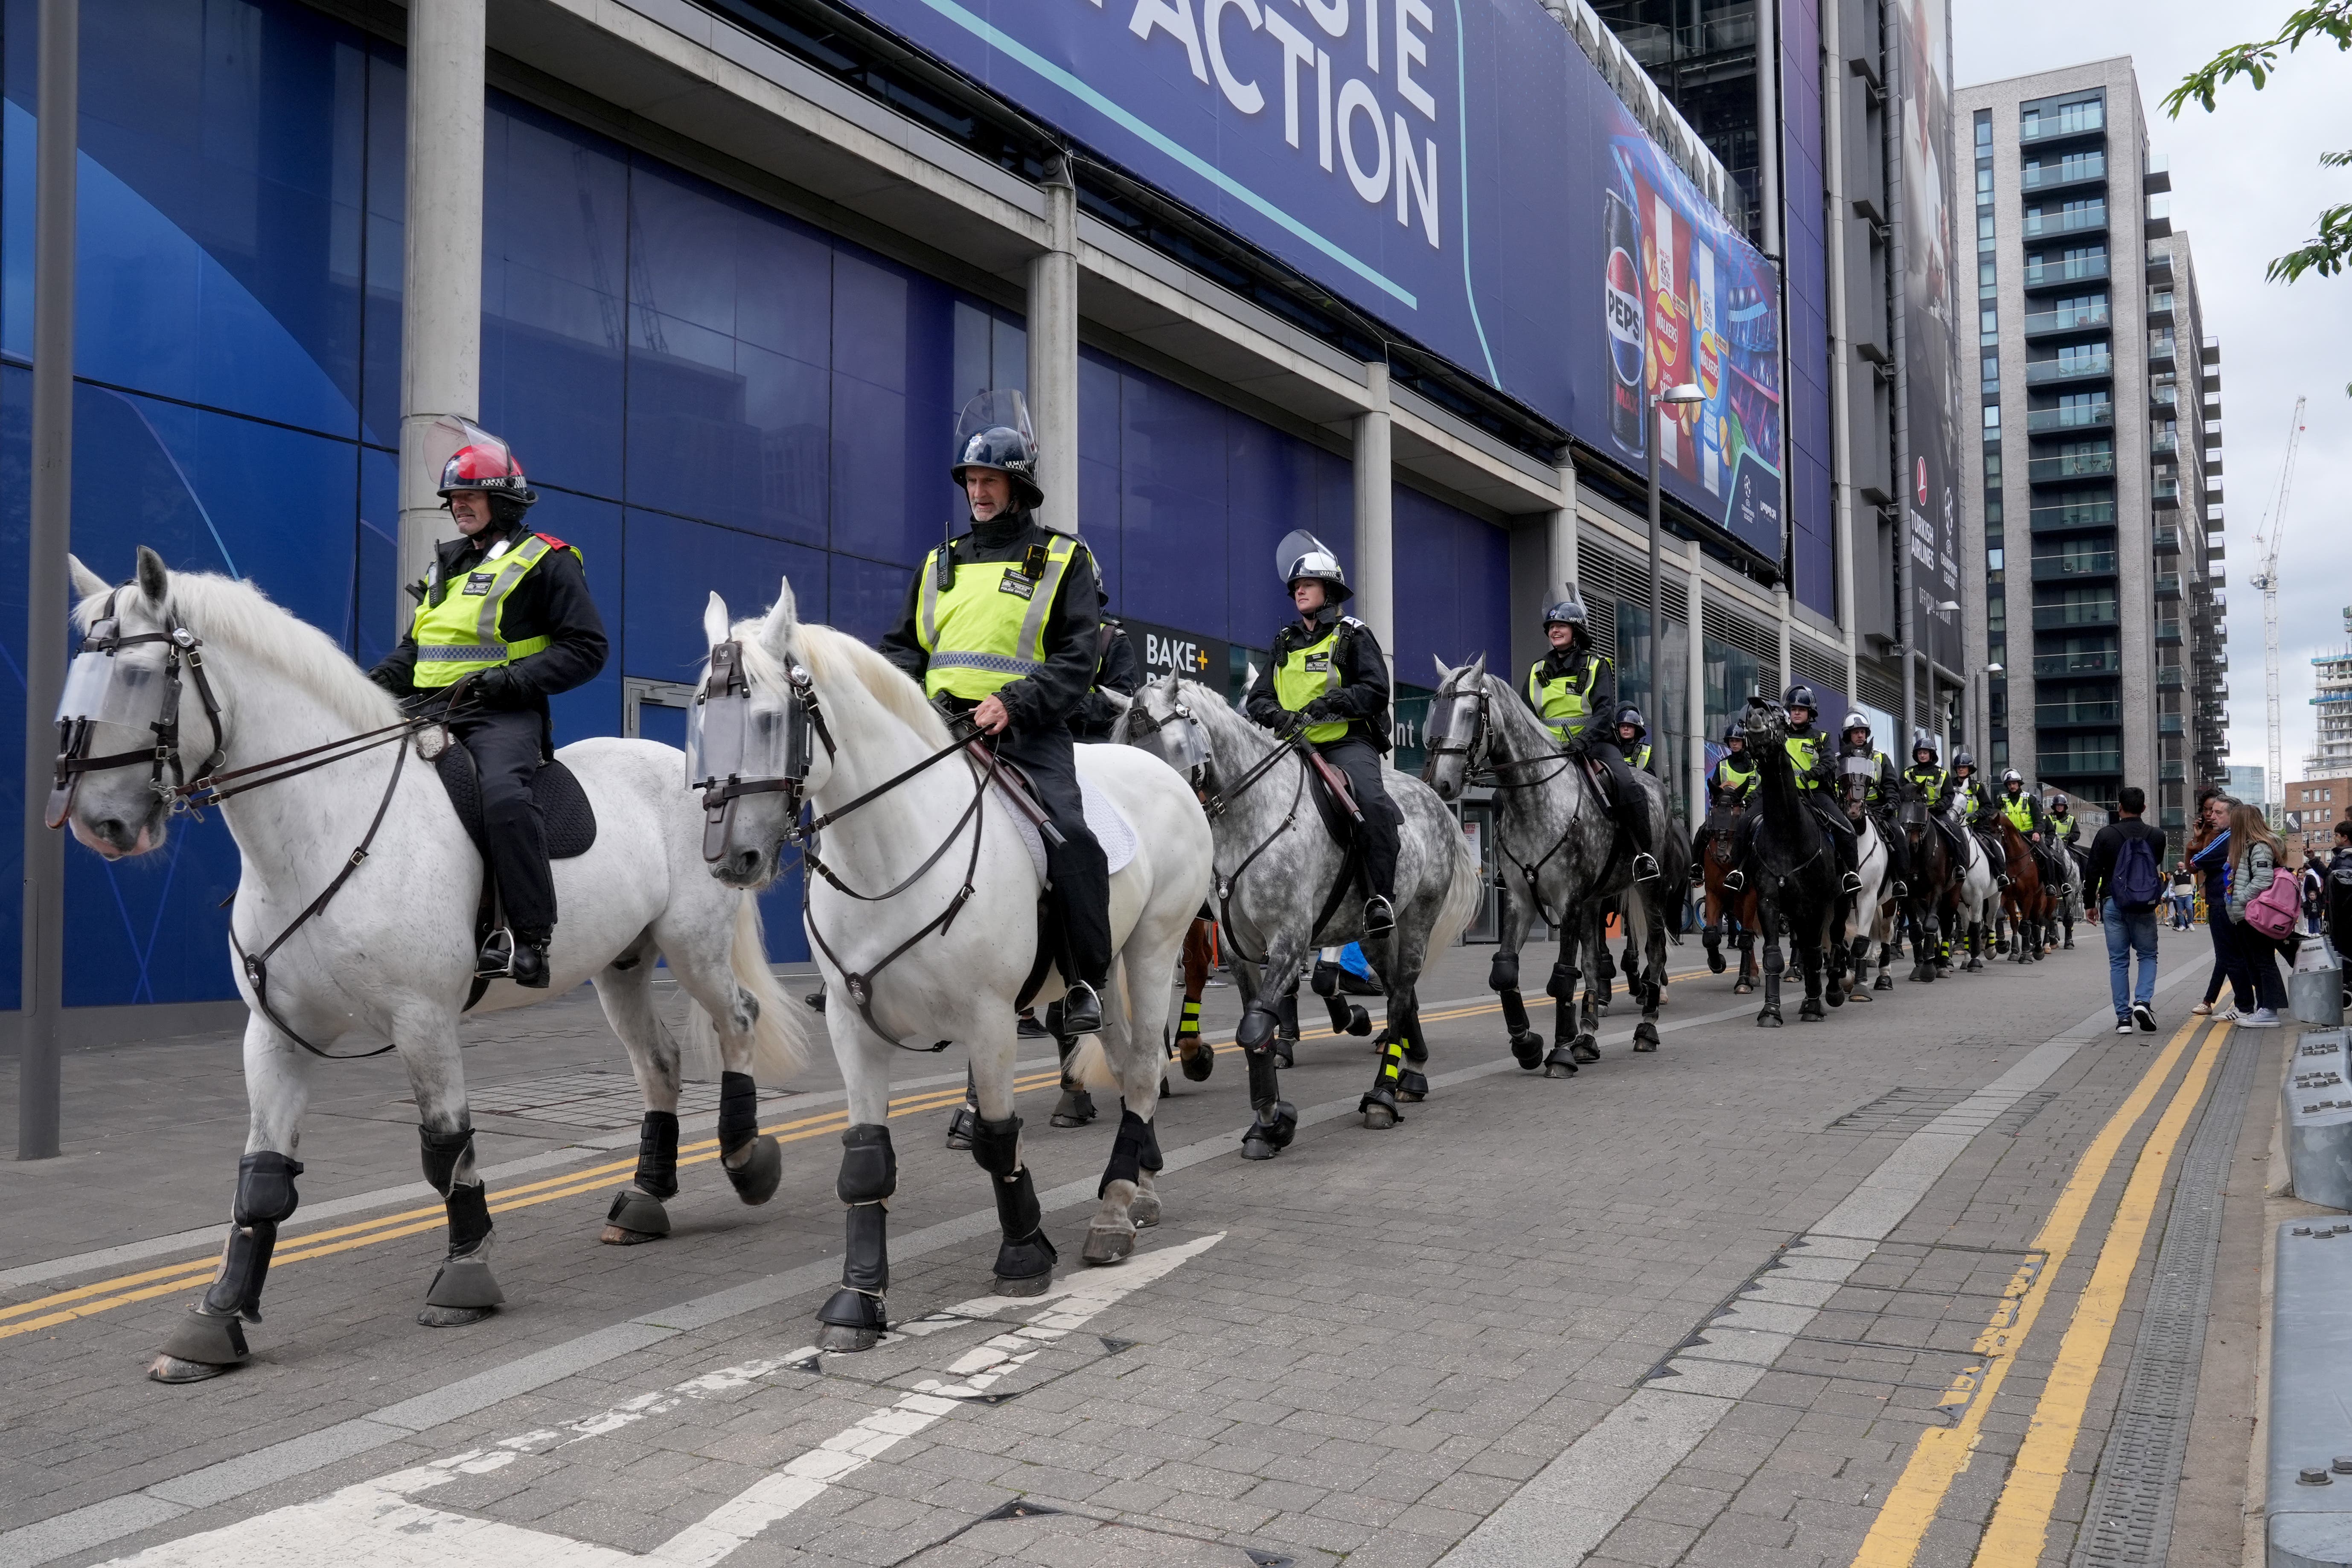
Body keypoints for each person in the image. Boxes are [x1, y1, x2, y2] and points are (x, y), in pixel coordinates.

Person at [879, 390, 1112, 1034]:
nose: (977, 491)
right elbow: (901, 648)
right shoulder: (938, 562)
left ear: (1019, 485)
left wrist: (1014, 703)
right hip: (938, 729)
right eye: (971, 480)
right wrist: (913, 702)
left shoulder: (1065, 559)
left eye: (989, 479)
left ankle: (1086, 979)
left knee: (1070, 838)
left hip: (1026, 732)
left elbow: (1075, 659)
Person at [369, 427, 608, 989]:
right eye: (454, 498)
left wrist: (512, 681)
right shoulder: (444, 566)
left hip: (499, 712)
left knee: (502, 797)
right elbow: (416, 649)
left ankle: (529, 936)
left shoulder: (547, 560)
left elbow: (587, 648)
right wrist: (366, 686)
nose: (458, 506)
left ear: (502, 499)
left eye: (470, 496)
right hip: (423, 708)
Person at [1244, 533, 1404, 936]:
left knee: (1370, 802)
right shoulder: (1284, 641)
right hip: (1290, 746)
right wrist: (1276, 714)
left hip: (1345, 743)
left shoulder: (1352, 634)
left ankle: (1380, 899)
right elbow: (1258, 697)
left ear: (1328, 591)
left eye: (1307, 585)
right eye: (1295, 587)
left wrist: (1332, 703)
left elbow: (1375, 691)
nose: (1298, 591)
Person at [1525, 593, 1657, 881]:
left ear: (1577, 632)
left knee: (1625, 784)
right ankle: (1510, 862)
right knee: (1505, 796)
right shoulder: (1537, 671)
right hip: (1549, 751)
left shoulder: (1597, 666)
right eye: (1551, 627)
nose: (1554, 630)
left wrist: (1581, 742)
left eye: (1562, 625)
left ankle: (1642, 855)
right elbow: (1526, 716)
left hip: (1593, 747)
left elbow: (1604, 712)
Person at [2084, 785, 2166, 1036]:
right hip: (2143, 905)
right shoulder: (2157, 835)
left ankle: (2123, 1019)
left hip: (2113, 902)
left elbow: (2092, 872)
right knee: (2148, 955)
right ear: (2144, 808)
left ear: (2119, 808)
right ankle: (2142, 1001)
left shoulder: (2106, 835)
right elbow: (2155, 867)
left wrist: (2090, 905)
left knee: (2119, 962)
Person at [2224, 800, 2295, 1027]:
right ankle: (2264, 1008)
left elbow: (2263, 880)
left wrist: (2244, 900)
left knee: (2263, 962)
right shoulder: (2251, 847)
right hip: (2246, 915)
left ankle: (2269, 1010)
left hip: (2253, 915)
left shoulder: (2259, 847)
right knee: (2255, 962)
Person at [2187, 794, 2253, 1019]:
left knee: (2229, 955)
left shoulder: (2227, 837)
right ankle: (2253, 1004)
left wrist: (2199, 848)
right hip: (2238, 901)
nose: (2211, 817)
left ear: (2233, 815)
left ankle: (2244, 1006)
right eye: (2209, 811)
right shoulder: (2246, 836)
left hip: (2223, 901)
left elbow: (2196, 862)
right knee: (2242, 956)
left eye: (2217, 812)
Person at [1837, 713, 1909, 897]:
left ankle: (1899, 880)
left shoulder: (1880, 757)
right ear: (1848, 735)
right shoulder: (1838, 759)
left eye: (1863, 732)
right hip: (1845, 808)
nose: (1861, 736)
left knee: (1898, 835)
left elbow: (1891, 784)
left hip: (1877, 808)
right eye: (1856, 732)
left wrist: (1892, 803)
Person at [1066, 593, 1143, 742]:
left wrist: (1067, 706)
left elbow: (1123, 699)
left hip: (1090, 742)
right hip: (1037, 734)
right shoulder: (1043, 630)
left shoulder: (1110, 637)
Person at [1689, 723, 1757, 882]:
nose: (1734, 744)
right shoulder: (1722, 764)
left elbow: (1762, 788)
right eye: (1731, 741)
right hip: (1727, 812)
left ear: (1744, 742)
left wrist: (1748, 799)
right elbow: (1715, 788)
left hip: (1752, 809)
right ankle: (1697, 868)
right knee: (1704, 831)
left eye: (1738, 741)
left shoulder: (1756, 766)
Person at [2168, 864, 2196, 931]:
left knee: (2190, 909)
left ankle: (2190, 923)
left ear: (2184, 867)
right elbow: (2174, 885)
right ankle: (2182, 925)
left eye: (2181, 866)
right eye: (2179, 867)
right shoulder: (2174, 876)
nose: (2180, 868)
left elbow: (2193, 884)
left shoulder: (2190, 875)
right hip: (2179, 896)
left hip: (2188, 895)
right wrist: (2177, 891)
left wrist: (2189, 891)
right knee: (2180, 911)